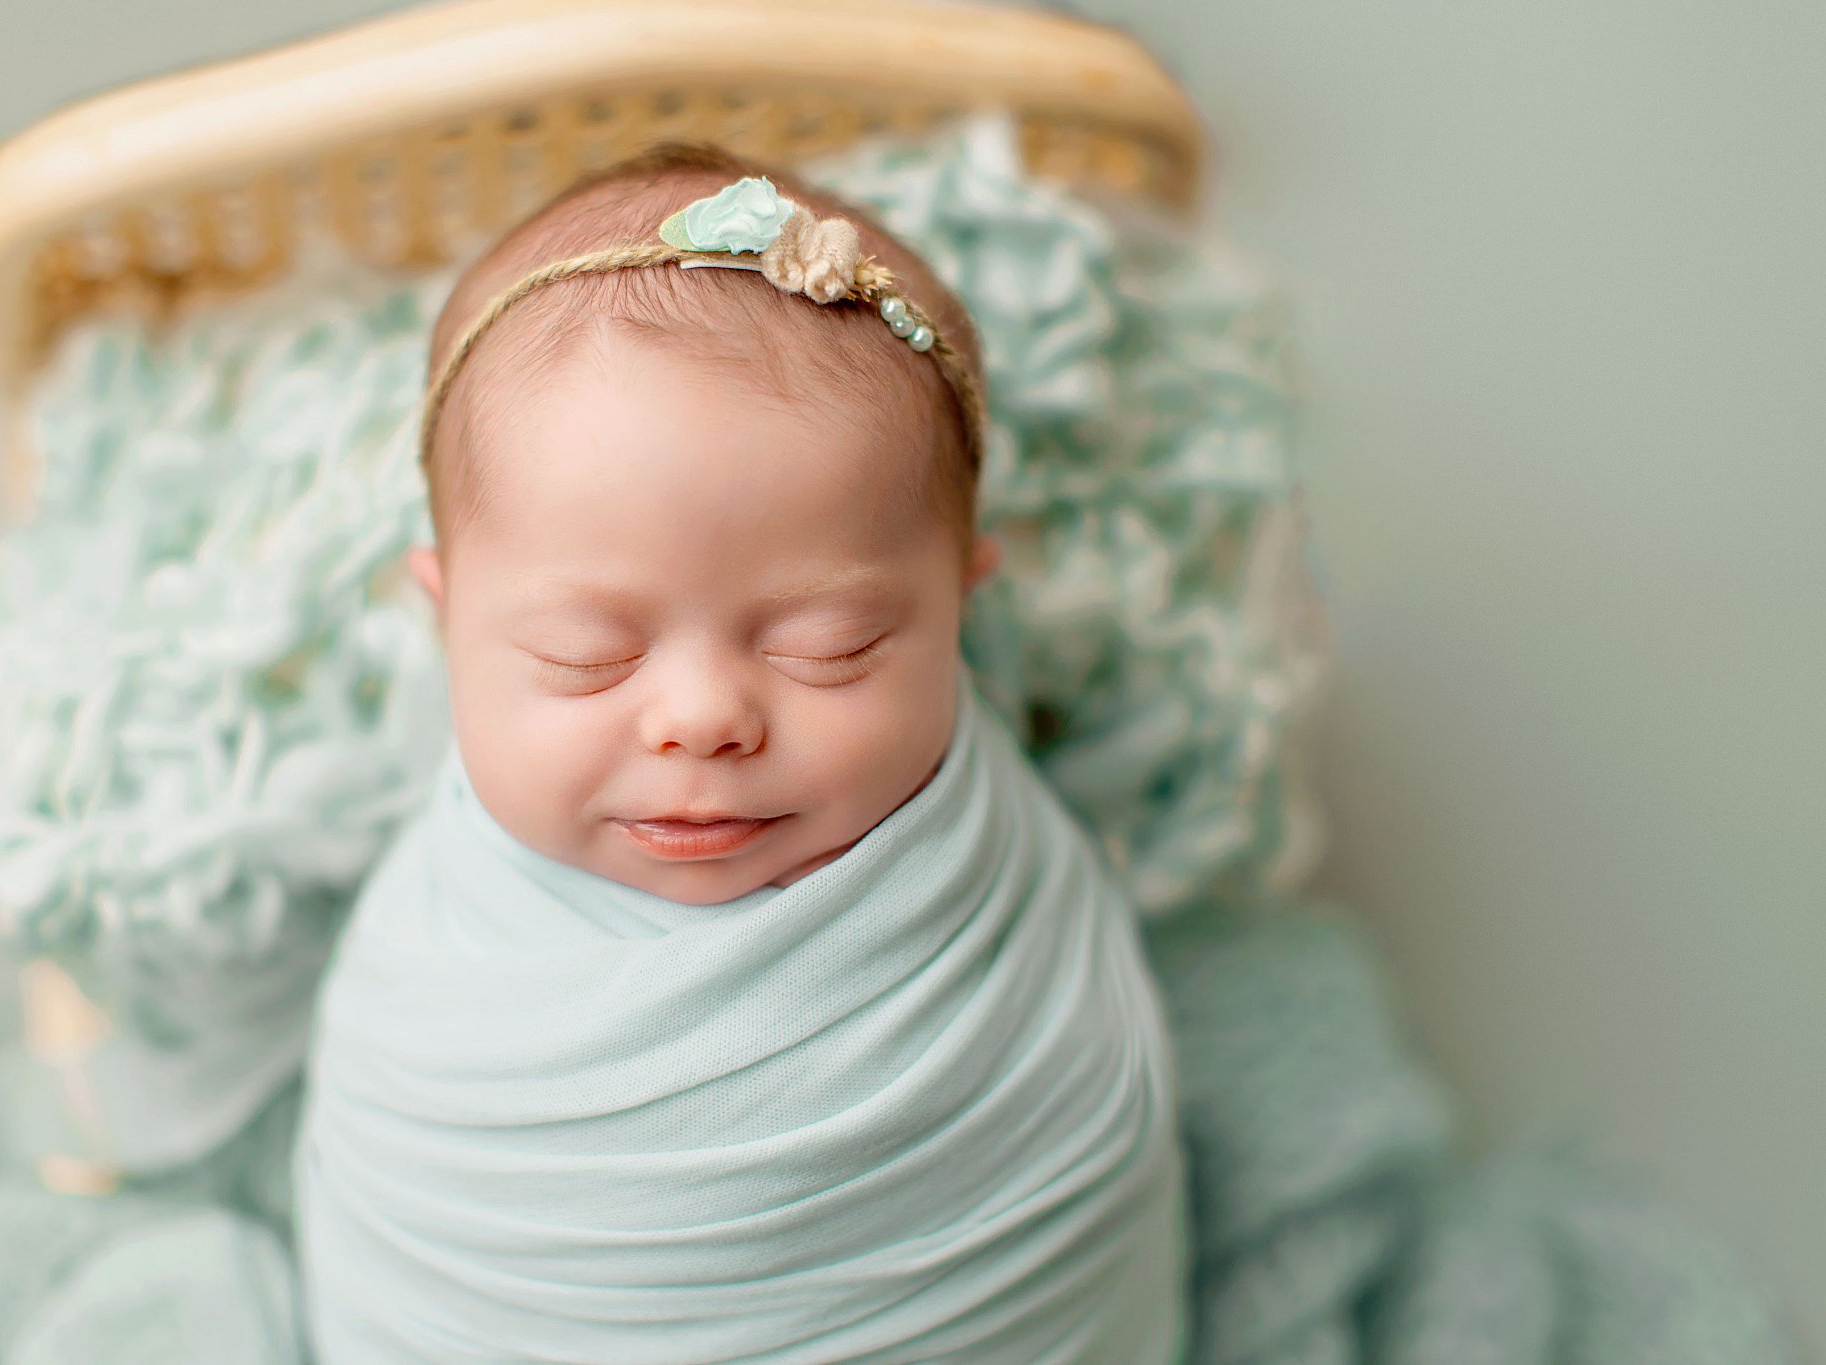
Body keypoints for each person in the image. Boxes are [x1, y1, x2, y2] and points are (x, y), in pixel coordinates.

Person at [293, 142, 1188, 1363]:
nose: (701, 719)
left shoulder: (1003, 913)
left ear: (960, 610)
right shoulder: (430, 957)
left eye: (832, 645)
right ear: (445, 618)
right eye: (580, 651)